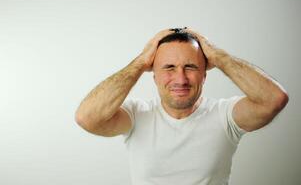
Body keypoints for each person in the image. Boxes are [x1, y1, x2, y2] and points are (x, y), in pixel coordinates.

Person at [75, 27, 289, 185]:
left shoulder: (224, 116)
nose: (181, 79)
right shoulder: (136, 115)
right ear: (154, 76)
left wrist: (218, 56)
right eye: (169, 67)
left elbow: (274, 99)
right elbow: (87, 118)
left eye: (191, 67)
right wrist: (140, 62)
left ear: (205, 75)